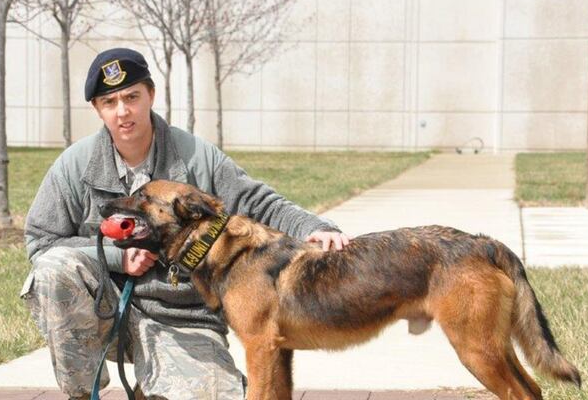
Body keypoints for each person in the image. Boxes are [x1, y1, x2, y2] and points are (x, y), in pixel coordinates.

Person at [20, 47, 350, 400]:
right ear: (97, 109)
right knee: (53, 268)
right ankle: (83, 394)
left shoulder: (196, 155)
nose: (123, 111)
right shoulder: (74, 166)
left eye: (132, 97)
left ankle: (160, 382)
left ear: (151, 95)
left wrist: (315, 227)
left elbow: (258, 202)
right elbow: (40, 242)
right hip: (104, 315)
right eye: (110, 102)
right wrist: (118, 259)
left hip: (182, 321)